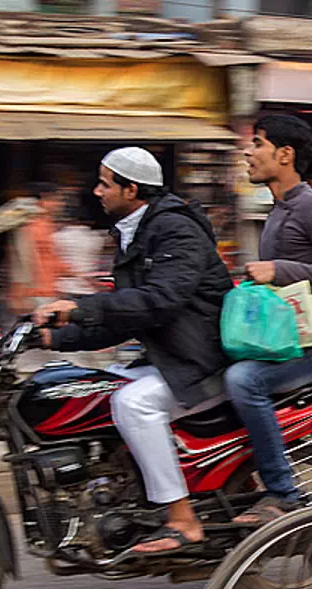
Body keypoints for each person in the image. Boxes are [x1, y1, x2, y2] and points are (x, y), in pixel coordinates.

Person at [34, 147, 233, 554]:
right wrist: (57, 338)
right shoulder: (135, 232)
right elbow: (124, 316)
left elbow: (159, 300)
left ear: (131, 188)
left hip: (202, 362)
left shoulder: (176, 229)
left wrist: (78, 307)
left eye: (105, 184)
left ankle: (182, 519)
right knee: (94, 391)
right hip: (171, 358)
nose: (96, 192)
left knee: (133, 403)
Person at [231, 113, 312, 524]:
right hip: (281, 341)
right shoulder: (277, 211)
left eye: (257, 144)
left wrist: (279, 269)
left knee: (243, 381)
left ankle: (283, 492)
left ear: (285, 155)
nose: (247, 152)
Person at [11, 183, 72, 313]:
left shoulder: (47, 225)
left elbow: (53, 259)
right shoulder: (32, 227)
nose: (60, 205)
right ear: (45, 199)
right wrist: (20, 292)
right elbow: (24, 260)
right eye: (57, 200)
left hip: (47, 292)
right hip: (36, 293)